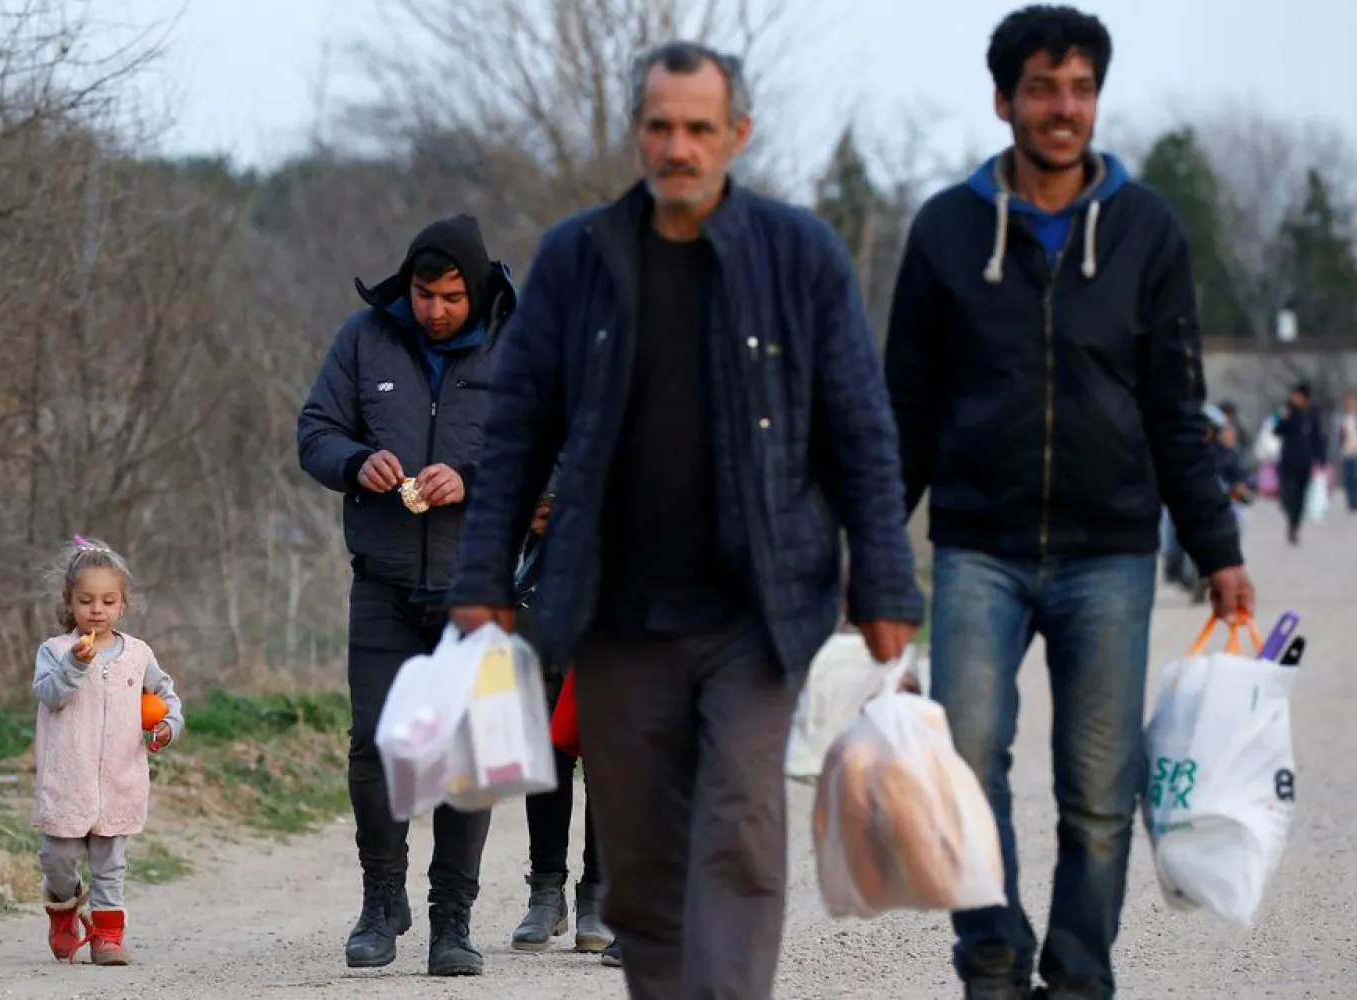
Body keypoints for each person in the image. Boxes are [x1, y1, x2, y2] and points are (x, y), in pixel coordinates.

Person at [445, 40, 925, 1000]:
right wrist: (484, 578)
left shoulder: (801, 257)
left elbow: (861, 432)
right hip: (617, 617)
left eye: (699, 128)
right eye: (660, 126)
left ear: (735, 135)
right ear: (638, 134)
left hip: (756, 611)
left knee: (743, 833)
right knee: (647, 866)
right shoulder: (578, 260)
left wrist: (883, 581)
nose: (679, 146)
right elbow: (516, 431)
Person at [883, 7, 1254, 999]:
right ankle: (994, 957)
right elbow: (905, 409)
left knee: (1099, 791)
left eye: (1081, 87)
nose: (1064, 108)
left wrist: (1217, 545)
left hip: (1111, 550)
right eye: (1043, 88)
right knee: (968, 760)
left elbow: (1178, 403)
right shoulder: (946, 230)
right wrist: (874, 551)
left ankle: (1081, 975)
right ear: (1004, 100)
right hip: (977, 545)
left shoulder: (1147, 230)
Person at [296, 214, 517, 977]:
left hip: (478, 588)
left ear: (477, 289)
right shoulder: (365, 339)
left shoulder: (517, 343)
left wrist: (476, 481)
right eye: (424, 295)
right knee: (375, 746)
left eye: (452, 297)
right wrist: (357, 462)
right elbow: (315, 431)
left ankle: (452, 921)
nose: (435, 311)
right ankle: (381, 900)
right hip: (383, 581)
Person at [34, 536, 183, 966]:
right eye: (86, 600)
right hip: (68, 780)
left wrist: (167, 726)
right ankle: (63, 910)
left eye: (107, 600)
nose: (96, 609)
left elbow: (166, 697)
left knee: (110, 866)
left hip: (120, 778)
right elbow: (50, 695)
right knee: (57, 858)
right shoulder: (56, 651)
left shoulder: (138, 655)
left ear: (123, 605)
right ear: (69, 603)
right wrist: (75, 665)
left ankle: (107, 937)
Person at [510, 489, 616, 962]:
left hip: (615, 599)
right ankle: (545, 893)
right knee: (546, 752)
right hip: (546, 601)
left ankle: (597, 892)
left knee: (609, 757)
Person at [1270, 381, 1327, 543]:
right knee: (1287, 494)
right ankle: (1289, 512)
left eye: (1297, 396)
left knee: (1301, 496)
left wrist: (1320, 458)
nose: (1294, 398)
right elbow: (1277, 431)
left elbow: (1318, 436)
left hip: (1305, 460)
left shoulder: (1313, 413)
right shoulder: (1287, 410)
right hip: (1288, 460)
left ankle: (1294, 526)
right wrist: (1284, 418)